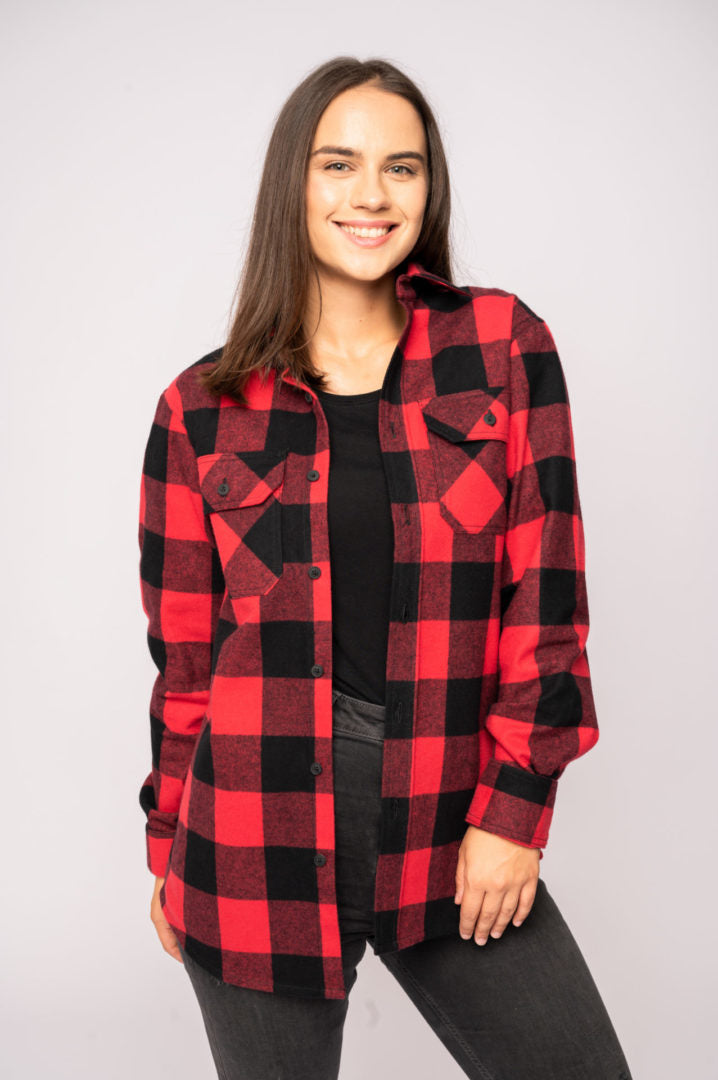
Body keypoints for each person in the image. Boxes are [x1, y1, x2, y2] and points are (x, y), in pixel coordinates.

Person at [137, 55, 633, 1080]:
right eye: (339, 164)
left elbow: (547, 604)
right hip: (250, 836)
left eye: (401, 168)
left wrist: (512, 814)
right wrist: (168, 845)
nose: (371, 194)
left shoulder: (501, 347)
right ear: (293, 184)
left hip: (446, 810)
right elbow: (186, 666)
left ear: (427, 188)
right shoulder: (198, 410)